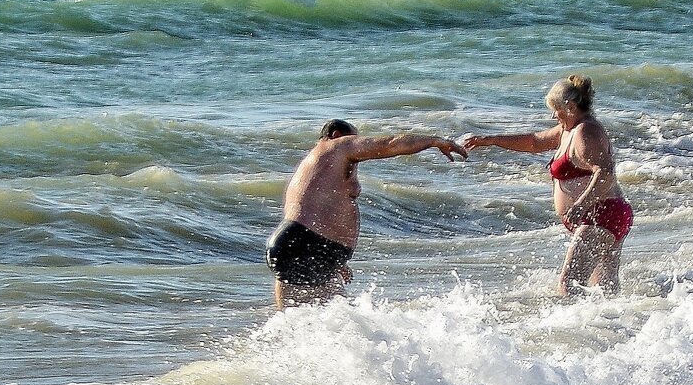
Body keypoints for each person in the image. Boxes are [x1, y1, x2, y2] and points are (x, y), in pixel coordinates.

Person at [266, 119, 467, 309]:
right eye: (354, 139)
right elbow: (390, 144)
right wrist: (433, 141)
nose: (357, 146)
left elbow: (311, 212)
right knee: (338, 322)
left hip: (298, 246)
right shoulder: (336, 146)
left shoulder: (313, 166)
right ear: (337, 135)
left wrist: (333, 260)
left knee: (309, 323)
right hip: (306, 244)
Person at [463, 75, 633, 296]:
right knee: (603, 290)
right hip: (603, 215)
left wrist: (581, 205)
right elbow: (534, 142)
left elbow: (605, 172)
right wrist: (491, 139)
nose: (554, 115)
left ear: (571, 107)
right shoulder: (567, 129)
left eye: (556, 109)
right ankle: (617, 326)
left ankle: (576, 329)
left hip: (601, 214)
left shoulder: (585, 132)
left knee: (568, 284)